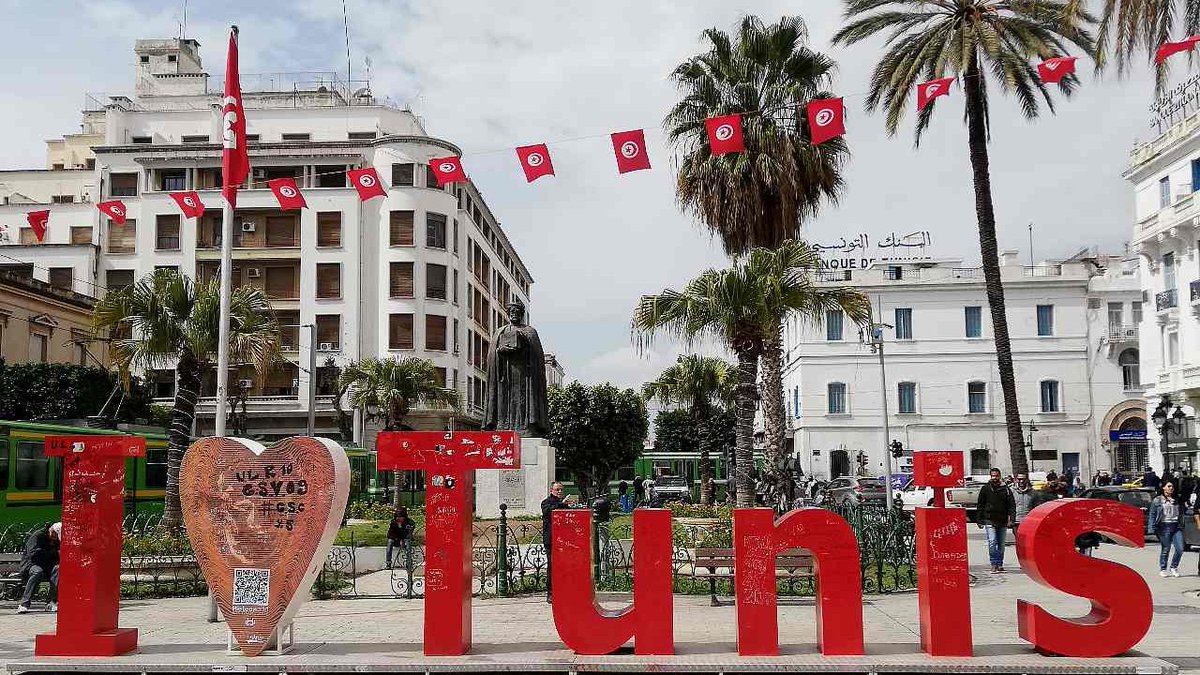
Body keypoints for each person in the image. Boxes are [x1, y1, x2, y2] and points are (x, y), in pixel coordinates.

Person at [976, 468, 1016, 573]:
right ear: (990, 476)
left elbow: (1011, 505)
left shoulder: (1006, 489)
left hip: (1002, 520)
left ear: (1000, 476)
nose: (995, 478)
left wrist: (1011, 519)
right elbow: (980, 505)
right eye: (993, 476)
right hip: (989, 519)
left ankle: (1000, 563)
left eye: (996, 476)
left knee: (1001, 543)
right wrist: (979, 520)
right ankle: (994, 563)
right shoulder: (985, 488)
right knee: (992, 542)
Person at [541, 482, 576, 602]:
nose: (560, 492)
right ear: (551, 490)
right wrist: (562, 504)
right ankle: (550, 592)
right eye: (557, 490)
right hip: (551, 540)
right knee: (552, 566)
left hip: (563, 540)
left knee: (563, 566)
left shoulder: (563, 505)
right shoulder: (547, 502)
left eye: (561, 490)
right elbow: (549, 511)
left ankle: (563, 590)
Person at [18, 522, 60, 614]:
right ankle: (24, 604)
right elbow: (33, 555)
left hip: (48, 566)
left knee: (58, 569)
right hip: (32, 565)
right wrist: (55, 553)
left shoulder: (57, 539)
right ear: (52, 531)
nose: (56, 539)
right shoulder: (37, 536)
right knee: (38, 572)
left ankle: (52, 602)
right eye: (55, 536)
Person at [1150, 481, 1186, 577]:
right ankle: (1163, 568)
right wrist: (1151, 528)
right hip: (1164, 526)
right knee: (1166, 548)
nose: (1171, 488)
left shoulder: (1176, 499)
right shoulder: (1157, 500)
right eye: (1169, 486)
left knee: (1180, 548)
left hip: (1176, 526)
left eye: (1172, 486)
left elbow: (1182, 512)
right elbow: (1152, 514)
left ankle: (1174, 567)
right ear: (1163, 488)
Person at [1009, 473, 1036, 538]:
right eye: (1019, 479)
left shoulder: (1032, 492)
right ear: (1016, 480)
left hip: (1027, 521)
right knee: (1018, 540)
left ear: (1027, 480)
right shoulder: (1011, 491)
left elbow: (1035, 507)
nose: (1021, 481)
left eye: (1023, 479)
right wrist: (1009, 520)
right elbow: (1007, 506)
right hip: (1016, 521)